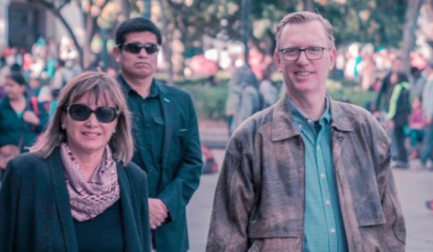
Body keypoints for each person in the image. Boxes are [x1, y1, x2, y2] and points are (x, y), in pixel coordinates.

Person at [207, 11, 405, 252]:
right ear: (278, 60)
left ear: (331, 57)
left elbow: (391, 227)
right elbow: (226, 238)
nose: (303, 60)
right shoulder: (250, 139)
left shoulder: (365, 130)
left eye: (314, 49)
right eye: (291, 51)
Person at [0, 71, 151, 252]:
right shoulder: (25, 173)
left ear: (116, 122)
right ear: (63, 118)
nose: (92, 122)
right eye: (80, 111)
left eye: (105, 113)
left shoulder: (134, 179)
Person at [113, 17, 202, 252]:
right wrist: (141, 206)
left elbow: (192, 163)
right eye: (134, 47)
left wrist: (165, 204)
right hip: (118, 226)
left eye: (150, 48)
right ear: (117, 53)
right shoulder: (101, 98)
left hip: (169, 229)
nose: (143, 54)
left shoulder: (181, 100)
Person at [0, 73, 48, 189]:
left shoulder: (34, 105)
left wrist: (35, 121)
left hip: (31, 158)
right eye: (6, 86)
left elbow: (48, 127)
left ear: (22, 87)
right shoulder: (0, 107)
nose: (8, 89)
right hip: (8, 159)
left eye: (11, 85)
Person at [420, 60, 433, 170]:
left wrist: (429, 115)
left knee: (429, 138)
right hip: (429, 114)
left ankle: (425, 159)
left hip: (431, 115)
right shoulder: (428, 80)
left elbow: (431, 100)